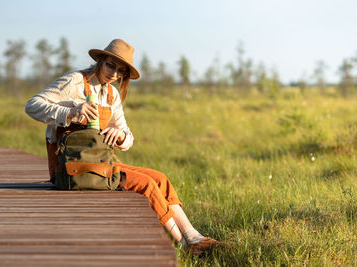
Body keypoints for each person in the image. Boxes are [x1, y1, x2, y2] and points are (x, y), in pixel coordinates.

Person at [25, 39, 227, 255]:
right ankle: (184, 245)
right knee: (147, 184)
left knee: (161, 179)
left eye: (120, 71)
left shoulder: (112, 94)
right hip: (70, 171)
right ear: (101, 61)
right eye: (110, 65)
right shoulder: (74, 81)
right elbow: (32, 105)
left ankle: (194, 236)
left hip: (98, 166)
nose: (114, 74)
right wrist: (72, 111)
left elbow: (128, 136)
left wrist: (120, 136)